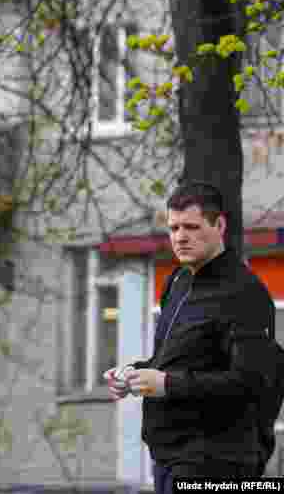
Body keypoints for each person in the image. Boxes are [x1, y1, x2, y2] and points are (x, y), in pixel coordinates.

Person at [103, 181, 274, 493]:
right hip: (168, 457)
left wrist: (166, 384)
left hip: (217, 462)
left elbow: (252, 382)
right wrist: (133, 374)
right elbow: (172, 361)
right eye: (174, 227)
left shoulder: (244, 292)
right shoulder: (178, 281)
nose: (180, 237)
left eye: (192, 227)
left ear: (219, 225)